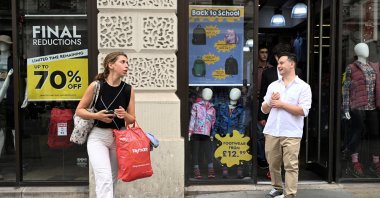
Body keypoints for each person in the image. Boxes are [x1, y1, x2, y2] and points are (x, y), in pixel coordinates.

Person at [75, 51, 135, 198]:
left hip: (118, 138)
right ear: (111, 65)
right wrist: (97, 116)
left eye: (127, 63)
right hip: (98, 137)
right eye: (123, 62)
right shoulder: (96, 86)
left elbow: (132, 119)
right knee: (105, 179)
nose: (127, 66)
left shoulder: (128, 89)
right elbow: (79, 110)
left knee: (112, 180)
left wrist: (124, 114)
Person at [262, 52, 312, 198]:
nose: (279, 66)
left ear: (292, 64)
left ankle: (290, 194)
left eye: (282, 63)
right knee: (273, 164)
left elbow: (303, 111)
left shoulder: (303, 87)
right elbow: (264, 109)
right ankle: (277, 188)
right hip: (272, 130)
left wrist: (282, 104)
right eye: (278, 63)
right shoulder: (273, 86)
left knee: (291, 166)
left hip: (291, 132)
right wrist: (271, 102)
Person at [342, 42, 380, 178]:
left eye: (367, 48)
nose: (366, 50)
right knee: (357, 133)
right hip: (358, 106)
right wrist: (346, 108)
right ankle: (354, 161)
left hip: (372, 106)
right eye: (363, 48)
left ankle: (375, 162)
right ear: (357, 51)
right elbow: (346, 89)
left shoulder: (374, 66)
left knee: (375, 134)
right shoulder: (351, 67)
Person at [213, 88, 245, 178]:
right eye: (232, 92)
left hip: (234, 134)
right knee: (224, 152)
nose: (234, 94)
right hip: (223, 133)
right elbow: (218, 120)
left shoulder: (241, 109)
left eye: (237, 93)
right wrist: (215, 132)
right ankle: (225, 170)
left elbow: (241, 124)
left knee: (237, 152)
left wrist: (240, 135)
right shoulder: (222, 107)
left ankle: (239, 169)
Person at [188, 88, 216, 179]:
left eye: (209, 93)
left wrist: (212, 134)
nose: (207, 95)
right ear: (202, 94)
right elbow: (192, 119)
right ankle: (196, 170)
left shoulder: (212, 108)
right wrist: (190, 131)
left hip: (206, 133)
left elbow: (213, 122)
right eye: (205, 93)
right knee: (195, 152)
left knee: (208, 152)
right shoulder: (196, 105)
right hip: (196, 132)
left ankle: (210, 170)